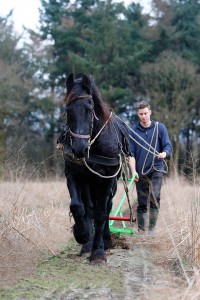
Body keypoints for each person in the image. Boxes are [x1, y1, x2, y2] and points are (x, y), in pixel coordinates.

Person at [129, 101, 172, 235]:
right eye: (141, 114)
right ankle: (142, 231)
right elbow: (131, 154)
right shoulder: (133, 131)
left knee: (155, 196)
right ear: (138, 114)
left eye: (145, 113)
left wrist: (164, 154)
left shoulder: (160, 128)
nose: (143, 116)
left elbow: (167, 146)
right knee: (142, 202)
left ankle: (152, 230)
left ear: (150, 113)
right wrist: (133, 171)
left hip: (156, 168)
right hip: (140, 171)